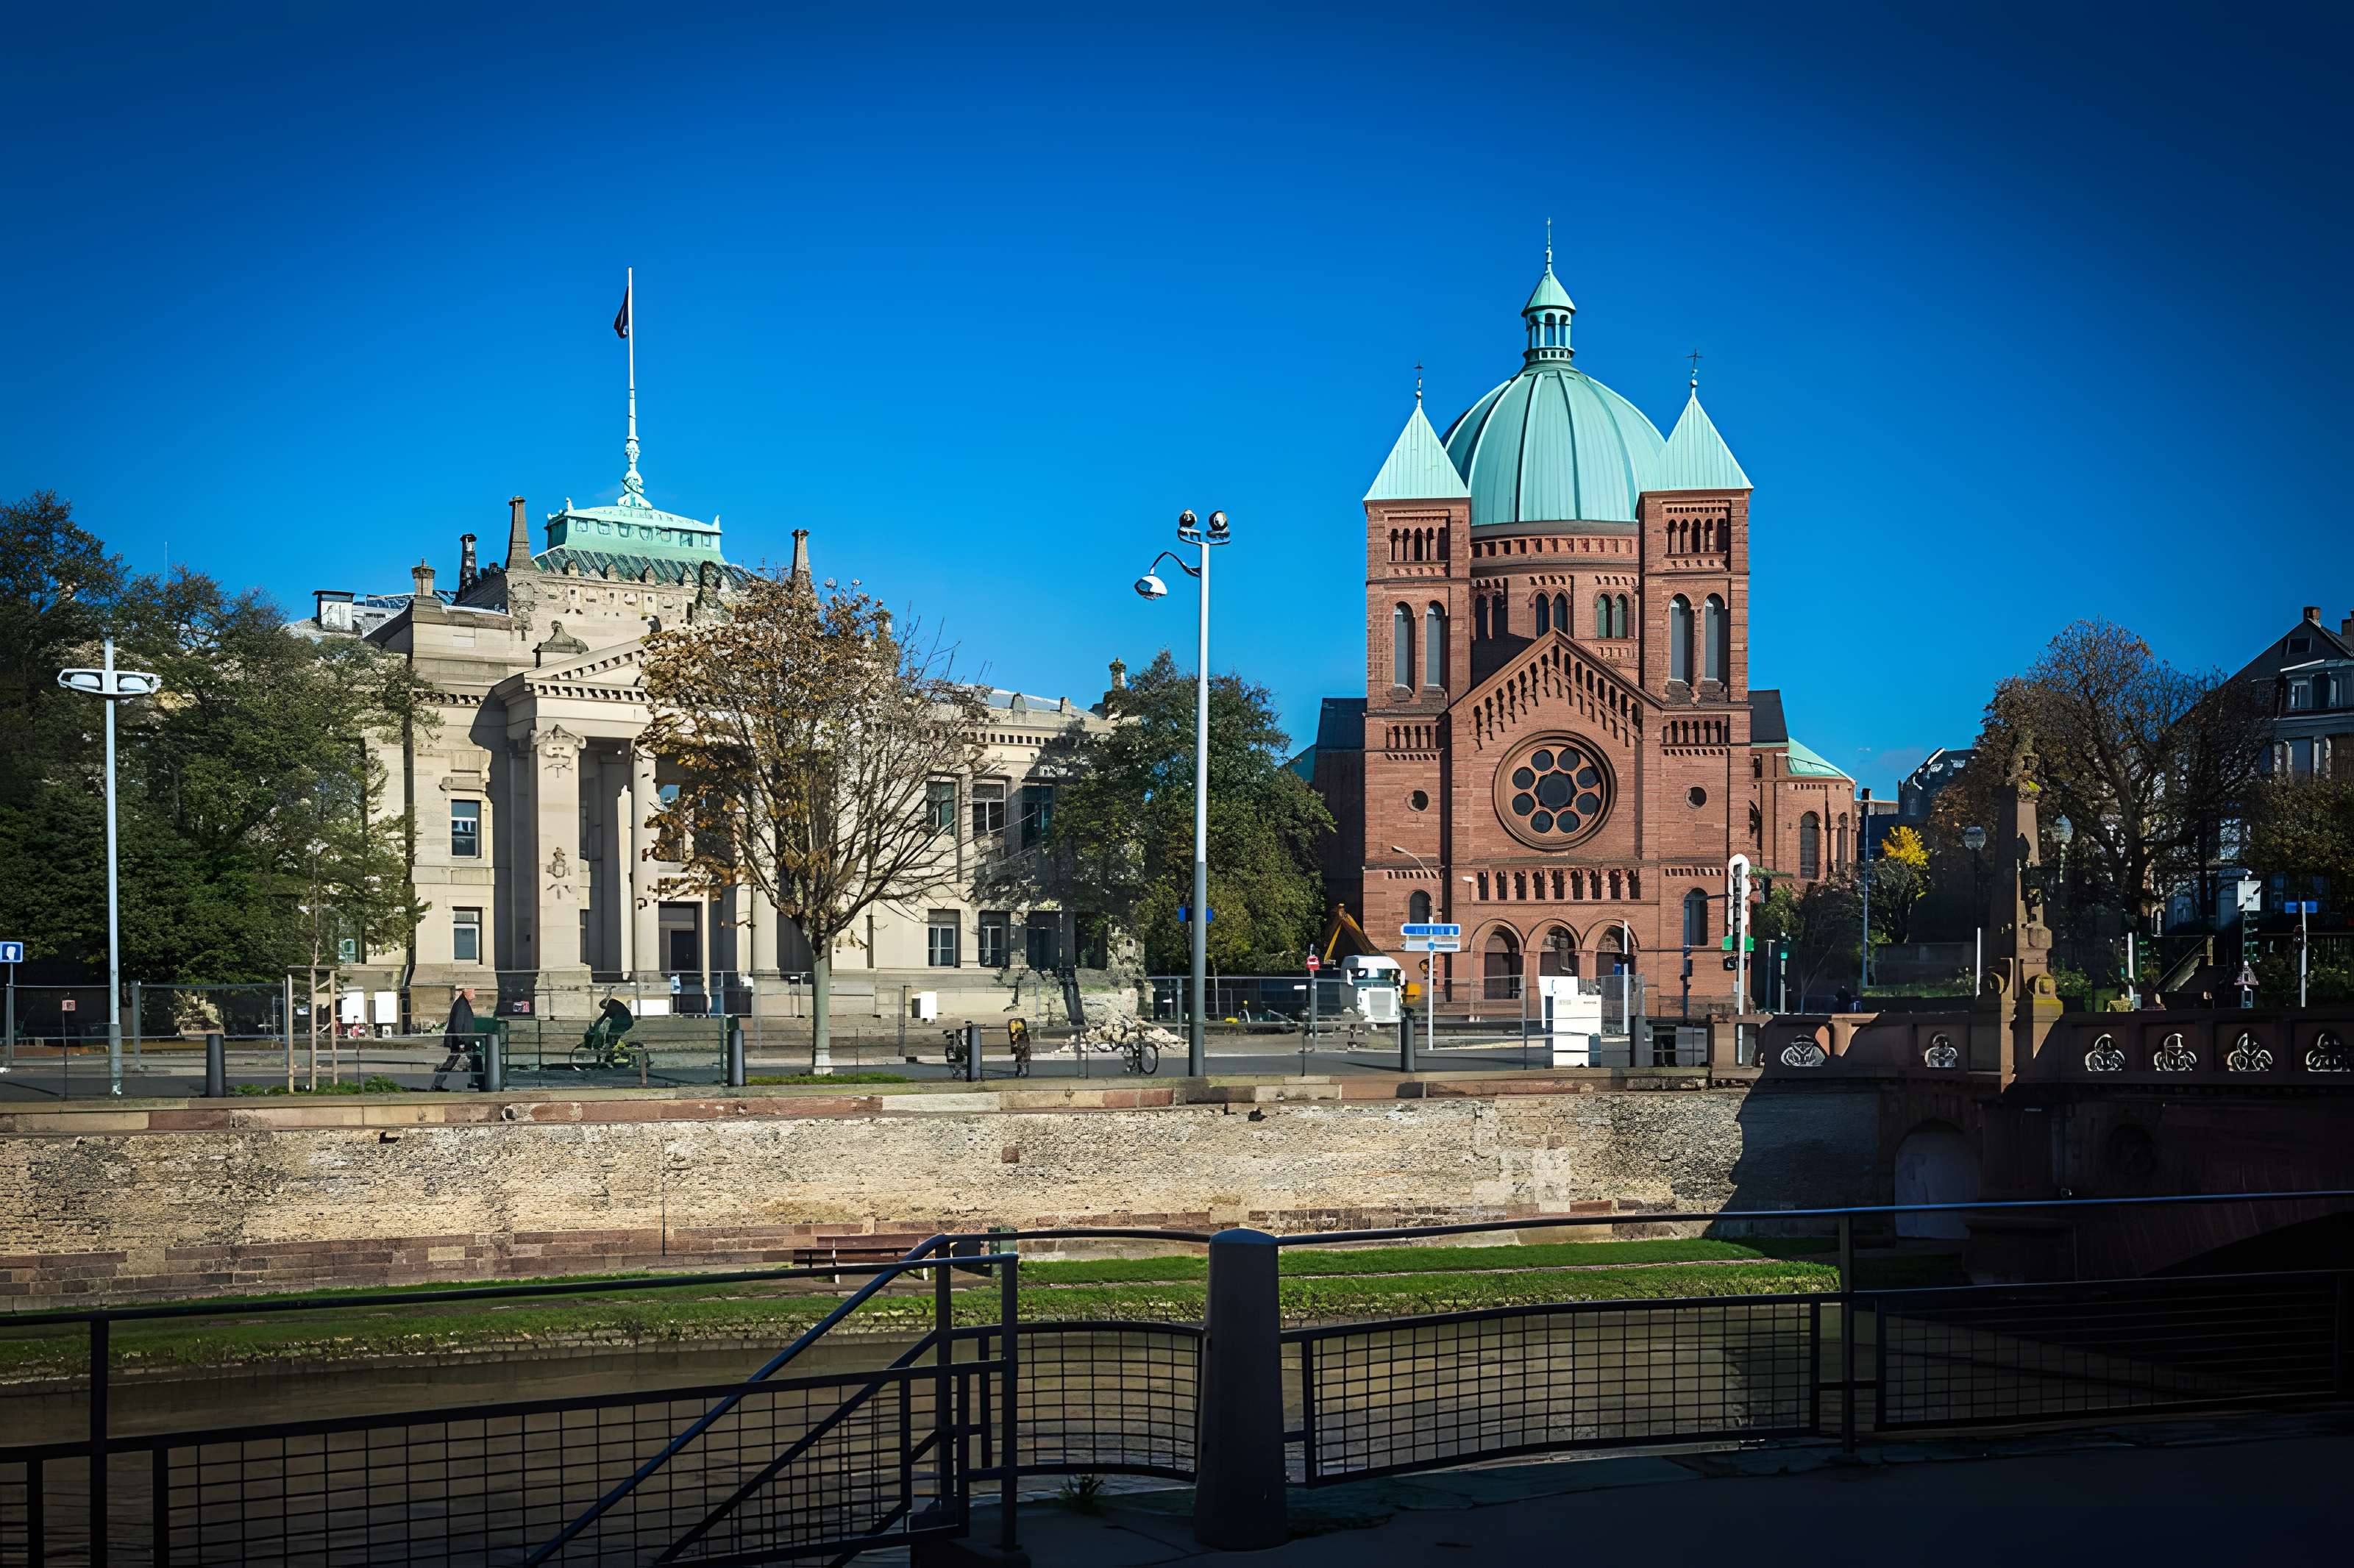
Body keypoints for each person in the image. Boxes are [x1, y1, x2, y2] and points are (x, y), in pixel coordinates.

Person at [431, 987, 480, 1090]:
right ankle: (437, 1083)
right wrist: (461, 1042)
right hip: (460, 1041)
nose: (474, 993)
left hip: (462, 1040)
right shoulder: (462, 1004)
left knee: (472, 1058)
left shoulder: (462, 1003)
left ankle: (476, 1081)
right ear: (466, 992)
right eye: (473, 991)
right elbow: (458, 1025)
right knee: (453, 1061)